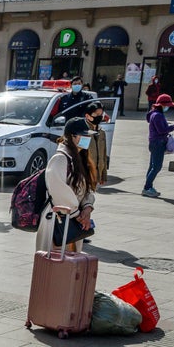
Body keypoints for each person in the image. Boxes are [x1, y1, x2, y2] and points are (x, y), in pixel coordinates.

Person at [36, 119, 96, 253]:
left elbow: (86, 189)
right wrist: (78, 214)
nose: (88, 139)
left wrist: (87, 208)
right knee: (53, 264)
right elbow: (58, 191)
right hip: (58, 220)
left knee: (69, 265)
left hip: (73, 219)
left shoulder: (79, 158)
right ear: (72, 136)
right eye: (84, 135)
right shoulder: (60, 159)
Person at [143, 93, 174, 197]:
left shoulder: (154, 114)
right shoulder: (158, 115)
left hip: (154, 142)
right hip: (158, 143)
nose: (168, 107)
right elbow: (162, 130)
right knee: (157, 167)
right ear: (162, 105)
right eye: (167, 105)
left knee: (152, 166)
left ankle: (149, 186)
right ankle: (147, 187)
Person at [84, 102, 109, 187]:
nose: (99, 116)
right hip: (85, 173)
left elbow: (104, 154)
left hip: (97, 172)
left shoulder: (102, 132)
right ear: (87, 116)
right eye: (96, 114)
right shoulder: (83, 132)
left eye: (101, 114)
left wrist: (103, 174)